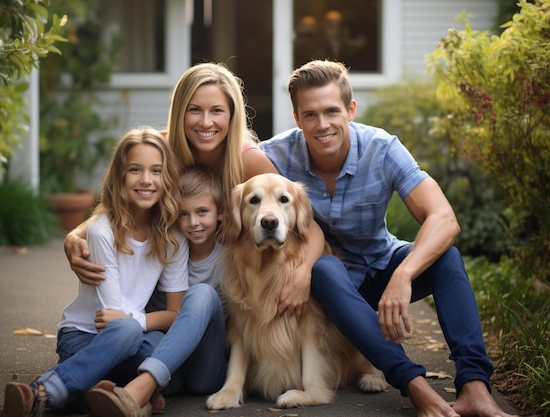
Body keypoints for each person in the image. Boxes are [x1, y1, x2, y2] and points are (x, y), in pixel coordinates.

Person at [258, 59, 517, 417]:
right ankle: (415, 385)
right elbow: (222, 154)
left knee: (447, 257)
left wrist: (403, 275)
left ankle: (475, 388)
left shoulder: (382, 148)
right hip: (324, 289)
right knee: (326, 268)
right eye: (310, 115)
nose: (322, 125)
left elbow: (443, 217)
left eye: (332, 111)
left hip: (380, 270)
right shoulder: (275, 156)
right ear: (296, 117)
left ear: (350, 109)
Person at [64, 62, 325, 320]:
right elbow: (122, 204)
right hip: (158, 278)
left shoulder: (247, 160)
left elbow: (307, 224)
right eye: (195, 110)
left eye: (217, 111)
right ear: (179, 112)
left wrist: (303, 275)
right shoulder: (161, 149)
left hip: (219, 281)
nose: (206, 122)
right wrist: (75, 234)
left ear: (232, 116)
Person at [0, 128, 189, 417]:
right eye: (135, 170)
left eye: (156, 171)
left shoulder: (172, 238)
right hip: (83, 337)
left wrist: (134, 320)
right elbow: (112, 319)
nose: (146, 180)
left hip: (130, 335)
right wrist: (132, 321)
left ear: (168, 178)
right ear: (119, 177)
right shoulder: (102, 231)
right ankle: (46, 391)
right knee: (130, 335)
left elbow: (174, 314)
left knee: (163, 350)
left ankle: (91, 392)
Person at [84, 165, 228, 417]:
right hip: (169, 365)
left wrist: (132, 321)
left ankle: (139, 390)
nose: (193, 222)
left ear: (220, 213)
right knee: (143, 352)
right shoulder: (164, 247)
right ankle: (143, 402)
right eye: (184, 214)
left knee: (202, 294)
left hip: (205, 369)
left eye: (202, 212)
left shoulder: (229, 261)